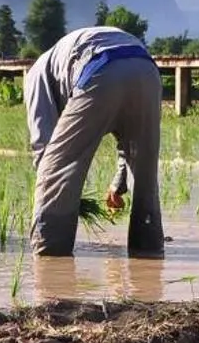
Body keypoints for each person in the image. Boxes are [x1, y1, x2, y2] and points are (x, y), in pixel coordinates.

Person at [26, 25, 165, 258]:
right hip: (146, 69)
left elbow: (43, 146)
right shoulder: (58, 60)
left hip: (99, 66)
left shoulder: (35, 75)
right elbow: (130, 145)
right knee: (145, 179)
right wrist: (119, 183)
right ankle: (149, 255)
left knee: (54, 170)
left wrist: (63, 196)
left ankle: (50, 259)